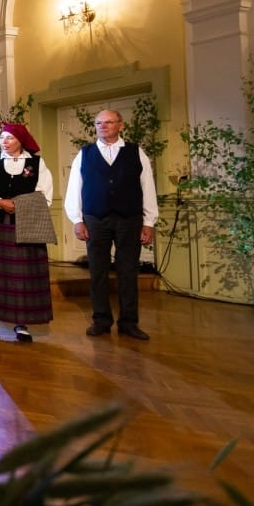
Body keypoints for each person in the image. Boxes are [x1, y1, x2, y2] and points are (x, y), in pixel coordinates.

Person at [63, 109, 159, 340]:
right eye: (99, 123)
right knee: (98, 272)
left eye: (108, 122)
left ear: (120, 125)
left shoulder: (137, 153)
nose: (103, 126)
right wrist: (77, 220)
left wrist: (149, 222)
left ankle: (128, 322)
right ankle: (101, 320)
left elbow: (147, 187)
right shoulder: (85, 154)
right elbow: (75, 188)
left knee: (128, 271)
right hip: (96, 220)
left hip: (130, 219)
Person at [0, 123, 55, 342]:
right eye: (2, 137)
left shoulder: (36, 163)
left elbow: (44, 193)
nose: (4, 142)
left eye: (9, 138)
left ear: (21, 141)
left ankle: (21, 323)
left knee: (22, 274)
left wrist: (20, 205)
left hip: (25, 223)